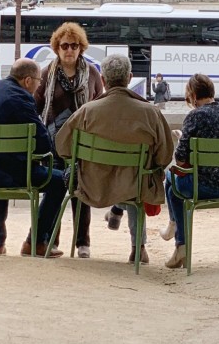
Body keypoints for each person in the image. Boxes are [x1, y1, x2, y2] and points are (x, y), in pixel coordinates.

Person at [56, 54, 173, 265]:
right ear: (129, 78)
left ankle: (115, 213)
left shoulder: (86, 112)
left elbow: (62, 147)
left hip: (92, 184)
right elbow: (164, 156)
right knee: (136, 180)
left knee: (121, 175)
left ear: (103, 80)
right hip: (134, 185)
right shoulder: (150, 113)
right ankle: (139, 248)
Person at [0, 56, 67, 257]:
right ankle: (35, 242)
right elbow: (43, 143)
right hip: (6, 173)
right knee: (60, 181)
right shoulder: (22, 98)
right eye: (38, 83)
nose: (38, 88)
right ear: (27, 81)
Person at [34, 22, 104, 259]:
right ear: (57, 47)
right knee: (54, 193)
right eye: (65, 46)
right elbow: (37, 106)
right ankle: (52, 240)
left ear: (81, 48)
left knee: (81, 193)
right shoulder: (46, 74)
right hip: (54, 144)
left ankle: (83, 242)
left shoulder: (92, 73)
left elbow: (100, 105)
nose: (69, 50)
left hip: (83, 142)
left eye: (74, 46)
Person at [162, 72, 219, 269]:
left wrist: (182, 139)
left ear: (193, 95)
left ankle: (177, 234)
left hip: (204, 187)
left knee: (169, 178)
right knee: (174, 191)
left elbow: (180, 160)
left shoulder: (195, 116)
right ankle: (178, 242)